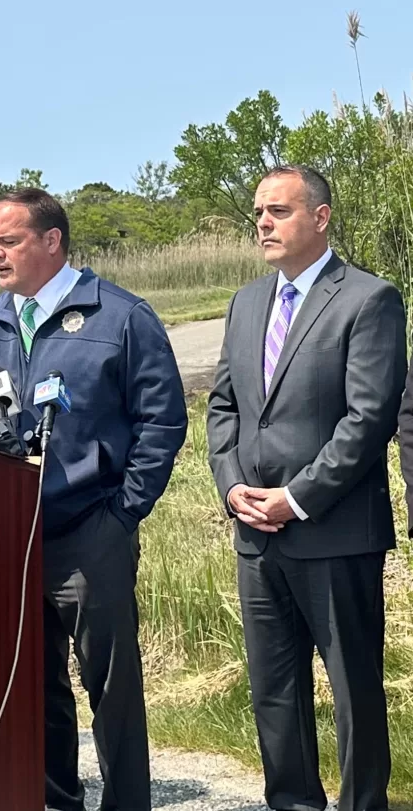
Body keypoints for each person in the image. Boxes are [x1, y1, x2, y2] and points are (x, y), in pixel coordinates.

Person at [0, 187, 188, 811]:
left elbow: (162, 421)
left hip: (88, 532)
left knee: (110, 685)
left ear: (52, 241)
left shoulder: (120, 317)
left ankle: (127, 803)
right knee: (33, 686)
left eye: (9, 240)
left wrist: (123, 511)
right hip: (7, 538)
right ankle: (56, 801)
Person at [206, 165, 405, 811]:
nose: (263, 221)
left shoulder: (369, 300)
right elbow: (224, 408)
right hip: (256, 537)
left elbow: (368, 418)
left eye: (278, 210)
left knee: (353, 690)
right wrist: (234, 487)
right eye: (258, 212)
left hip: (334, 531)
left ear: (319, 217)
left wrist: (296, 497)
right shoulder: (245, 303)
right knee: (273, 690)